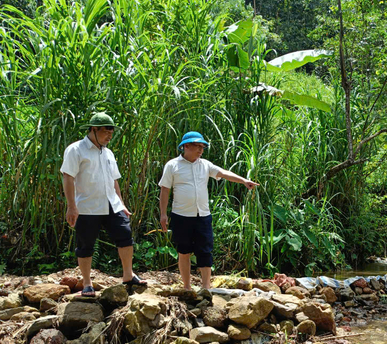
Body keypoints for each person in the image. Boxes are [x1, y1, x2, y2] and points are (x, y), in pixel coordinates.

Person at [159, 131, 259, 291]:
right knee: (183, 251)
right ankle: (187, 287)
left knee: (205, 251)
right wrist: (163, 214)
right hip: (181, 216)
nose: (200, 150)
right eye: (197, 146)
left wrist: (243, 180)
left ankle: (206, 288)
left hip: (203, 216)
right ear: (185, 146)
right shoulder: (172, 165)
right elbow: (165, 190)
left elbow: (224, 173)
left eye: (202, 147)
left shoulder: (205, 165)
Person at [61, 112, 146, 297]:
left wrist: (121, 203)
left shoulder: (108, 152)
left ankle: (128, 275)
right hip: (87, 205)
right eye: (106, 131)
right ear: (94, 129)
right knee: (85, 244)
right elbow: (68, 177)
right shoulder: (76, 150)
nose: (110, 135)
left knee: (125, 235)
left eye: (112, 131)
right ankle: (87, 283)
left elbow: (114, 180)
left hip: (112, 204)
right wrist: (71, 206)